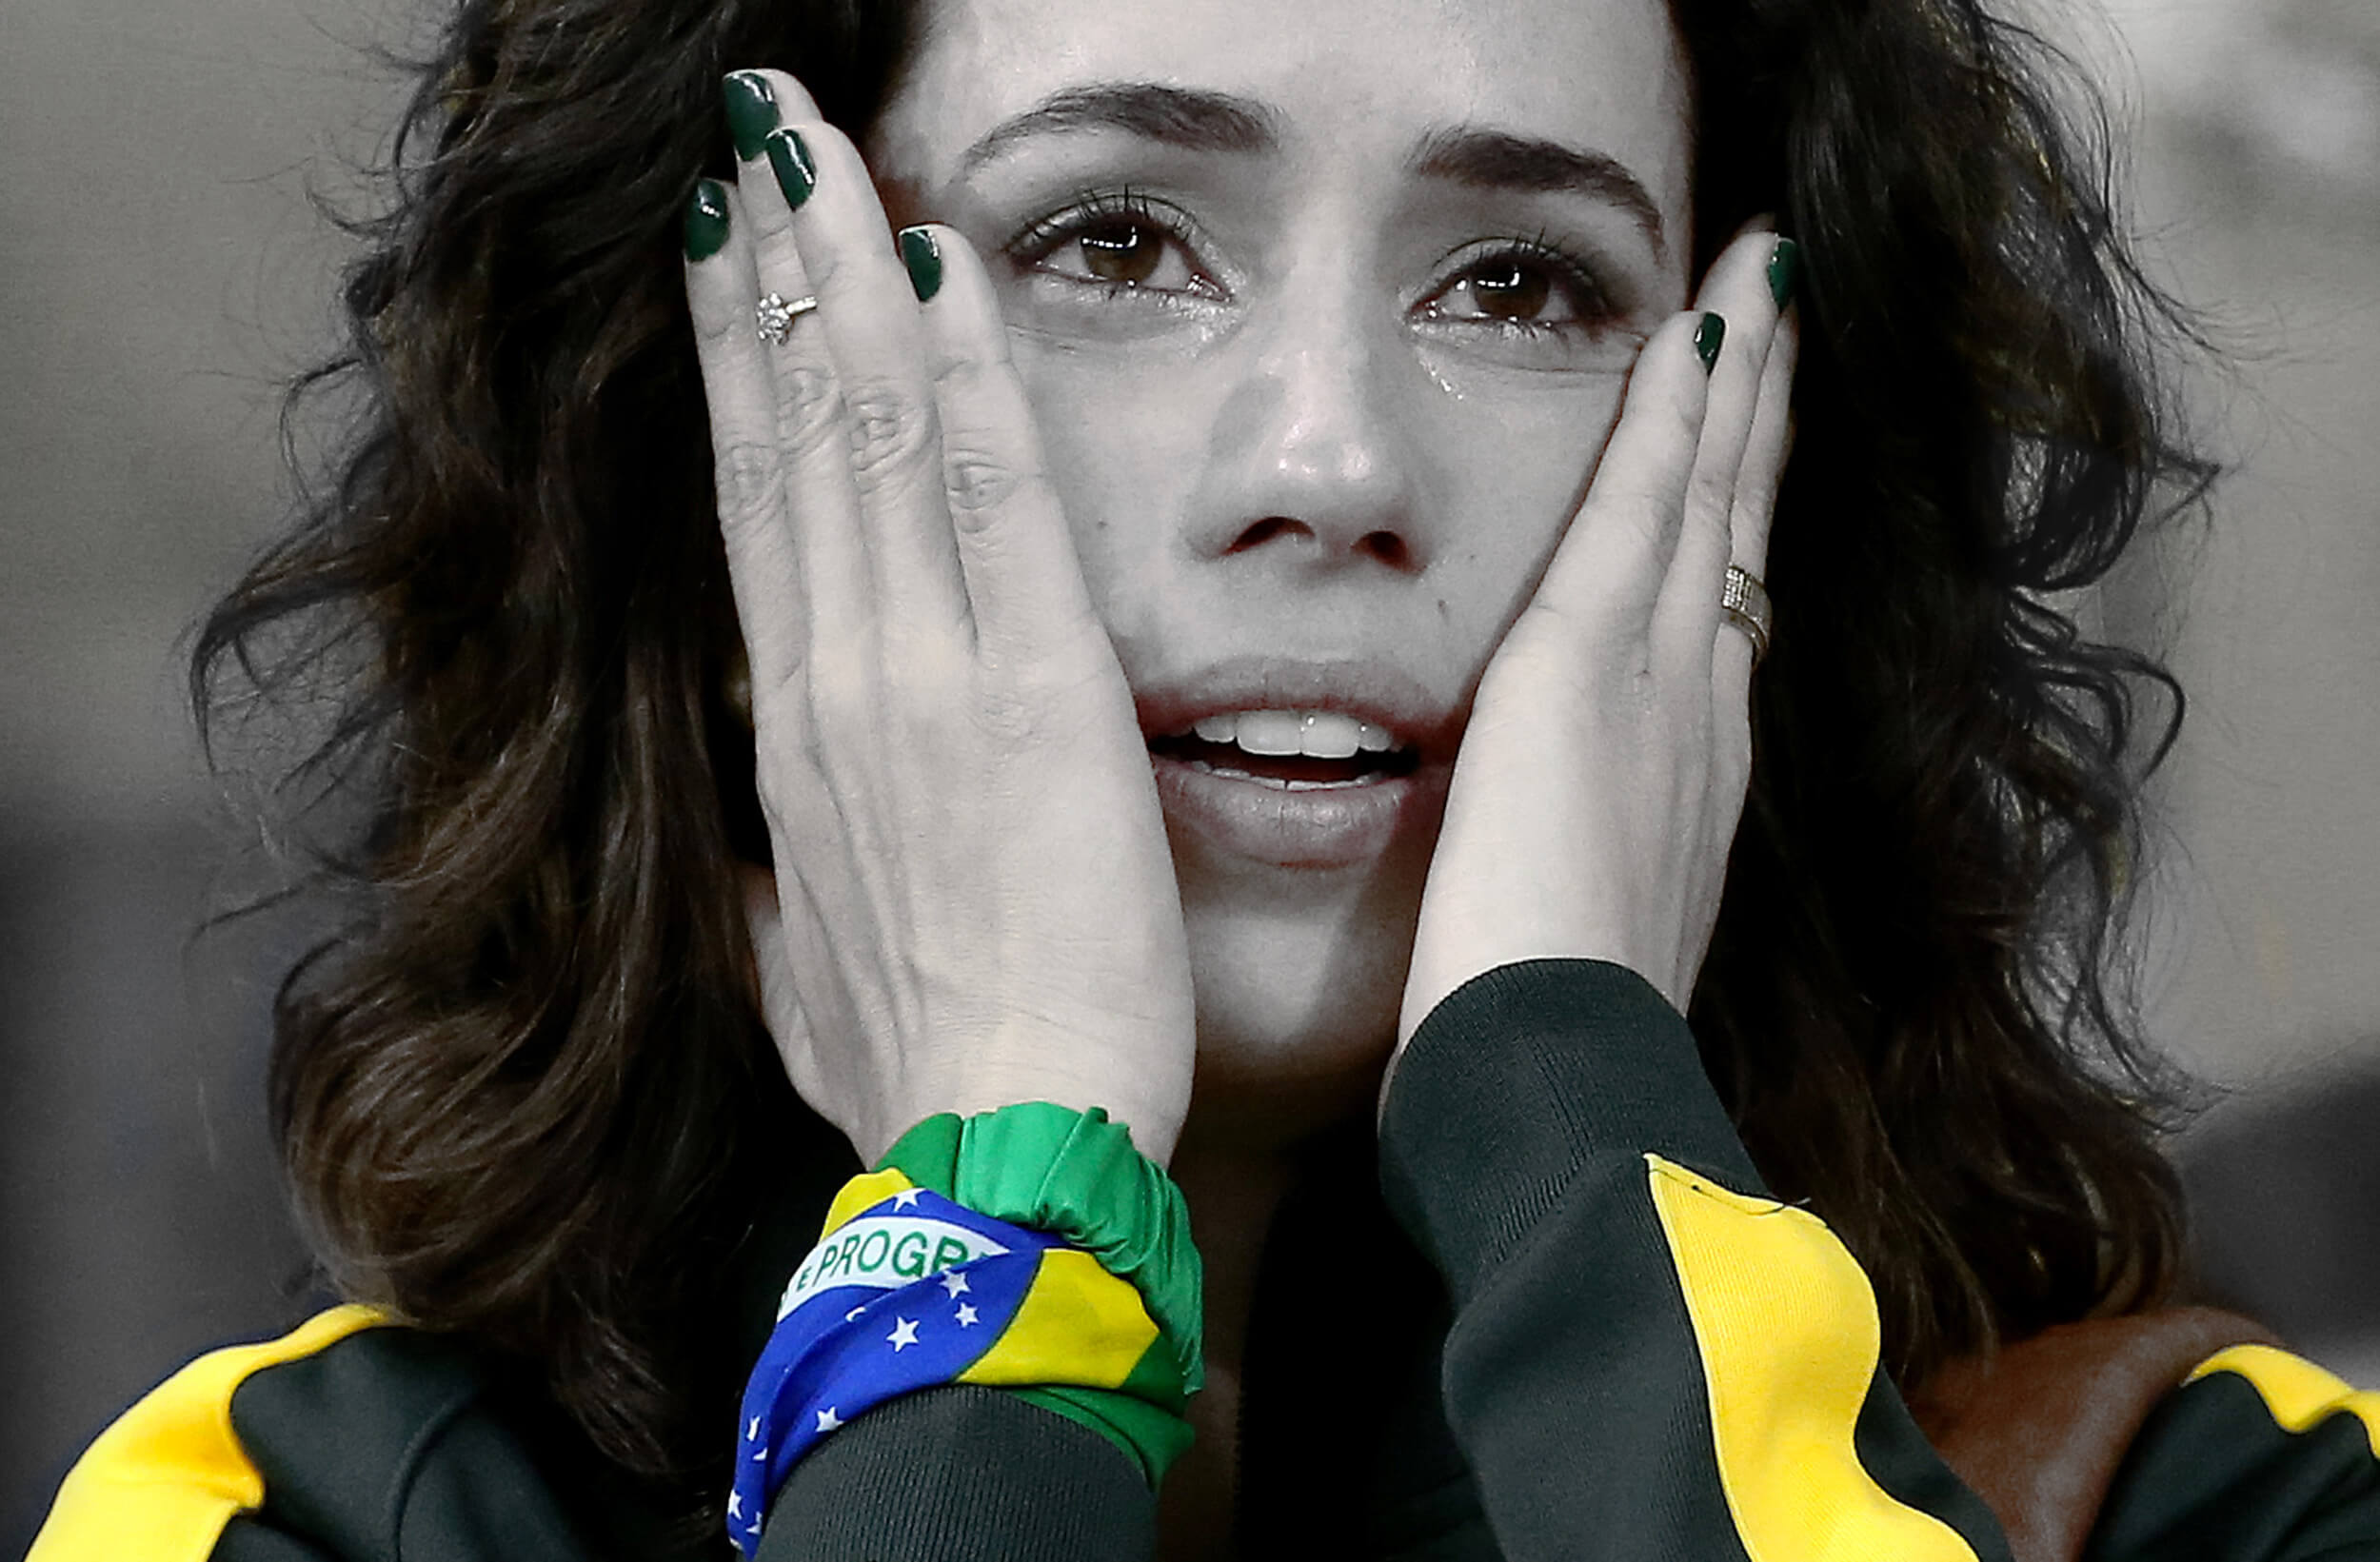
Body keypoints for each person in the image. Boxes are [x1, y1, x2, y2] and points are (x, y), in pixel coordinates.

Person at [29, 0, 2380, 1555]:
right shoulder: (283, 1513)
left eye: (1520, 284)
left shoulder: (2221, 1500)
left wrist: (1567, 1113)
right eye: (1116, 241)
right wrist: (1004, 1208)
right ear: (719, 427)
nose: (1332, 462)